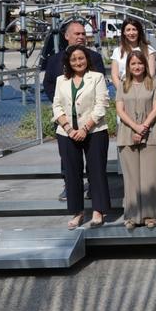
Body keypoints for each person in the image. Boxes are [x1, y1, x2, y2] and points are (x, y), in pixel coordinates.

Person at [42, 20, 107, 202]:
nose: (80, 37)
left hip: (89, 120)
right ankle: (69, 186)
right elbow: (48, 84)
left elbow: (100, 90)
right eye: (76, 34)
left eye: (83, 34)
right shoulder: (55, 60)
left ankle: (94, 189)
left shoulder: (94, 58)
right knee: (69, 158)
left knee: (94, 159)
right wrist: (61, 106)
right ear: (66, 36)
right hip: (66, 120)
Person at [52, 45, 111, 230]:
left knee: (96, 170)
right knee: (72, 173)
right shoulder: (61, 80)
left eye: (81, 58)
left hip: (94, 131)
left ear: (87, 59)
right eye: (74, 59)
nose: (78, 62)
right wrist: (69, 129)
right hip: (67, 133)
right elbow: (56, 106)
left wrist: (85, 128)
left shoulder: (97, 77)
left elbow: (101, 105)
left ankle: (98, 210)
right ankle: (77, 212)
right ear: (68, 62)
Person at [115, 50, 156, 229]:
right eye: (133, 63)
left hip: (151, 133)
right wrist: (135, 127)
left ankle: (152, 215)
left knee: (151, 178)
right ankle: (132, 216)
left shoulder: (154, 84)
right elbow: (120, 110)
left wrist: (143, 127)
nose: (137, 67)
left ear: (145, 65)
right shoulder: (123, 85)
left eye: (140, 63)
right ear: (128, 66)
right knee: (132, 178)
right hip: (128, 134)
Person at [110, 18, 156, 93]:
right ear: (124, 32)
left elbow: (151, 73)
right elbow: (114, 75)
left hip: (144, 90)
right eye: (128, 30)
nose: (131, 33)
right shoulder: (117, 51)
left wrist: (142, 91)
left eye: (134, 29)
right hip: (124, 89)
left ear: (139, 31)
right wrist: (122, 92)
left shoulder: (149, 50)